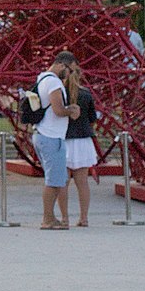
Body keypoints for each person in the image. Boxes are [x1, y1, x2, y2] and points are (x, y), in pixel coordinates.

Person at [32, 52, 80, 229]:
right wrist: (72, 110)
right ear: (61, 65)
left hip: (44, 134)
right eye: (70, 71)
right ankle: (48, 218)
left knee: (55, 179)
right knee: (53, 181)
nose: (70, 75)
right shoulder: (53, 82)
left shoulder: (42, 78)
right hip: (51, 136)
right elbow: (58, 109)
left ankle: (52, 217)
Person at [64, 62, 99, 228]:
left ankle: (64, 218)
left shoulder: (60, 93)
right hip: (83, 140)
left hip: (64, 140)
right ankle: (84, 218)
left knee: (62, 183)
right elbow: (92, 118)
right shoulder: (86, 94)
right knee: (82, 183)